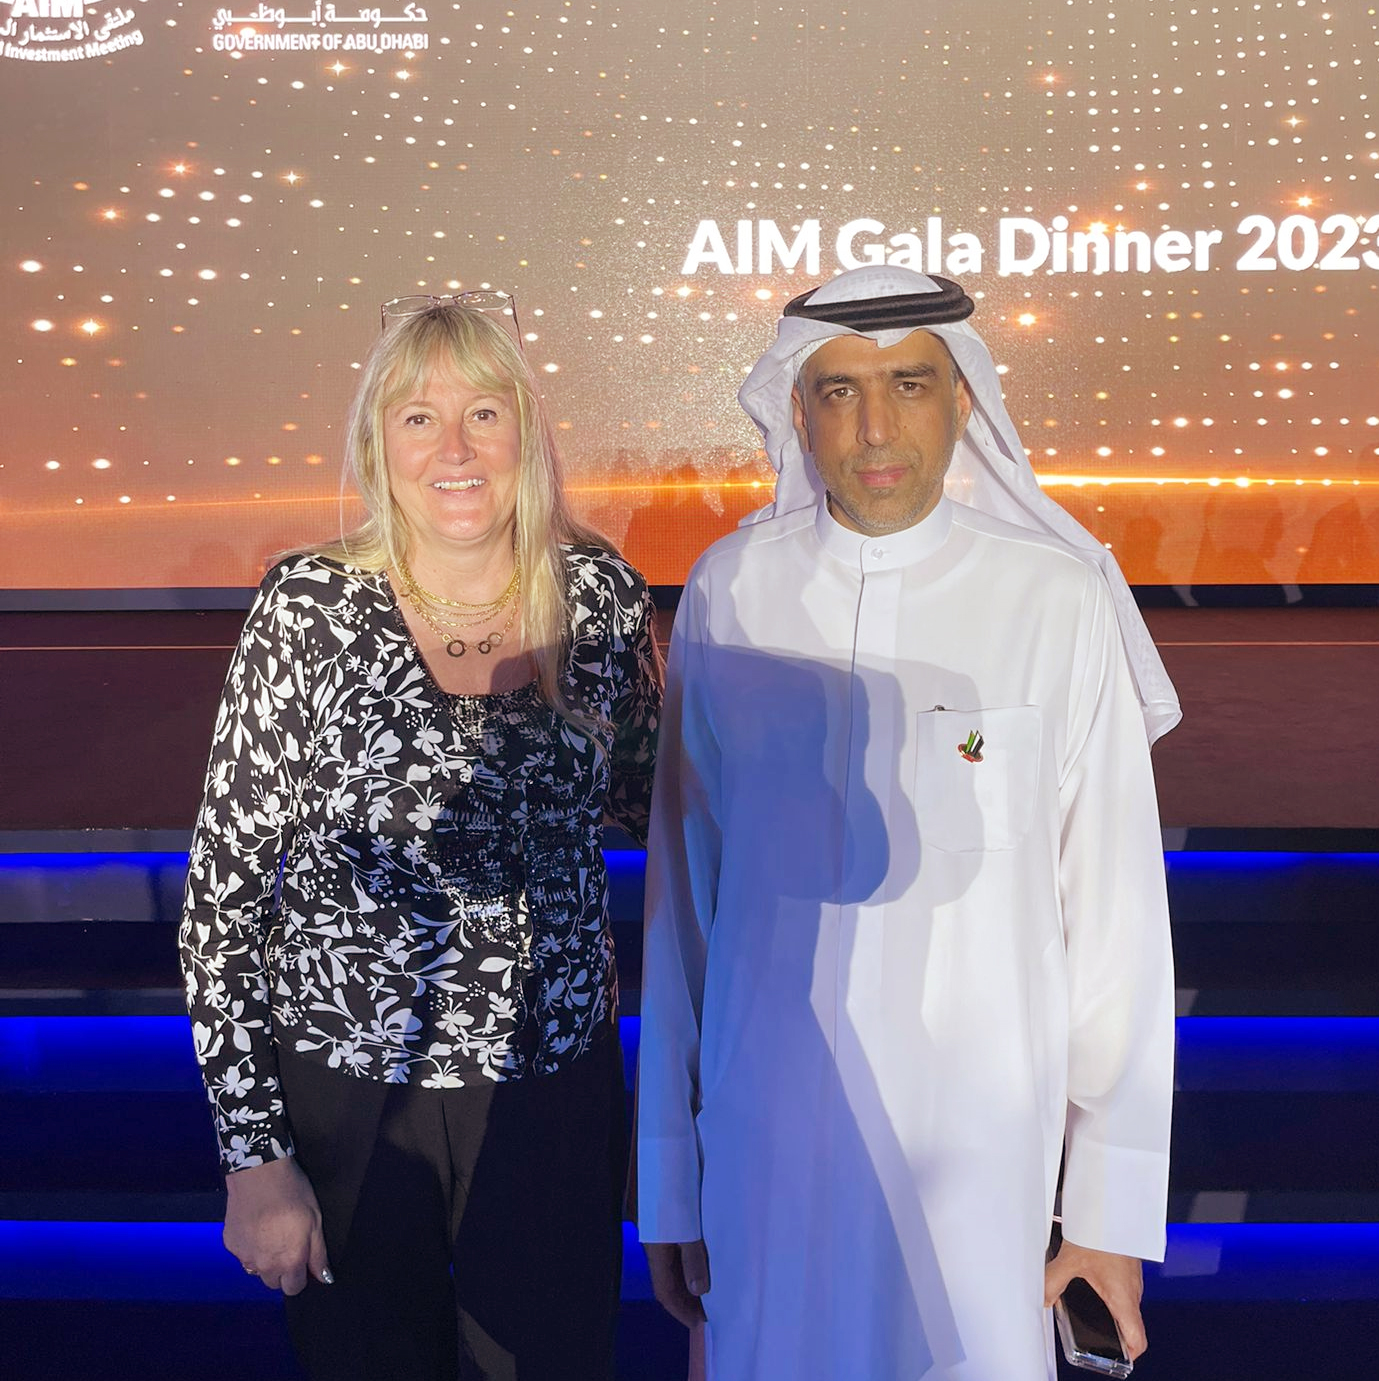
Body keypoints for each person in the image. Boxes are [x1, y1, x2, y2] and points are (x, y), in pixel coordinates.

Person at [637, 266, 1179, 1381]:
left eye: (910, 386)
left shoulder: (1057, 598)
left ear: (964, 401)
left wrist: (1108, 1209)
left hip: (981, 1153)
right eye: (838, 391)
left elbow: (1116, 921)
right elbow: (682, 909)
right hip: (768, 1140)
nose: (875, 428)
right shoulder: (729, 590)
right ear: (798, 411)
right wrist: (671, 1181)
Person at [179, 291, 661, 1381]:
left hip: (552, 1090)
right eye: (417, 418)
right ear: (377, 446)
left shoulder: (600, 599)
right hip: (352, 1098)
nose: (454, 449)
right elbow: (221, 907)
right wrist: (255, 1159)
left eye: (484, 414)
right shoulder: (308, 610)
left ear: (525, 435)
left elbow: (658, 800)